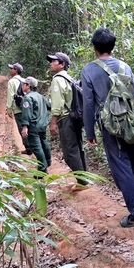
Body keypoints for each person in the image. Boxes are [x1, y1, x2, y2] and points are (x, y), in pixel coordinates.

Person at [81, 28, 134, 228]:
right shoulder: (125, 66)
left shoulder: (89, 70)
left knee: (122, 168)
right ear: (112, 46)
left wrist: (89, 132)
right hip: (132, 122)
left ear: (95, 48)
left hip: (111, 126)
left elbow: (88, 104)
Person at [47, 52, 88, 191]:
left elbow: (57, 104)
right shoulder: (70, 78)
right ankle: (85, 178)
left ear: (62, 64)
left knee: (70, 151)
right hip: (75, 118)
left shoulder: (57, 80)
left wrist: (53, 122)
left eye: (54, 61)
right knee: (78, 147)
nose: (51, 63)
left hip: (65, 119)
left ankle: (82, 182)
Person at [19, 77, 52, 174]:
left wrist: (25, 127)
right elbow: (49, 106)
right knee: (43, 143)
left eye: (24, 84)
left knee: (36, 147)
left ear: (28, 86)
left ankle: (42, 170)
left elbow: (26, 113)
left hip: (33, 126)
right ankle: (48, 161)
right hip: (43, 125)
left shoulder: (28, 98)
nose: (22, 86)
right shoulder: (40, 96)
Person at [6, 63, 31, 155]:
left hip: (17, 108)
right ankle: (32, 145)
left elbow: (10, 96)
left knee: (22, 128)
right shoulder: (25, 80)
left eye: (12, 68)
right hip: (27, 107)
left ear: (16, 70)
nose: (10, 70)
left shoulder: (12, 82)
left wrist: (9, 109)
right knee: (29, 127)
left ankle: (28, 148)